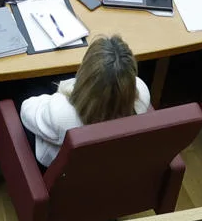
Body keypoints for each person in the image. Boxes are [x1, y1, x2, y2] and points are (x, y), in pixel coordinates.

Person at [19, 35, 149, 165]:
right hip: (108, 166)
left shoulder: (61, 113)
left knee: (24, 88)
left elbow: (26, 110)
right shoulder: (142, 95)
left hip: (60, 168)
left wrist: (64, 91)